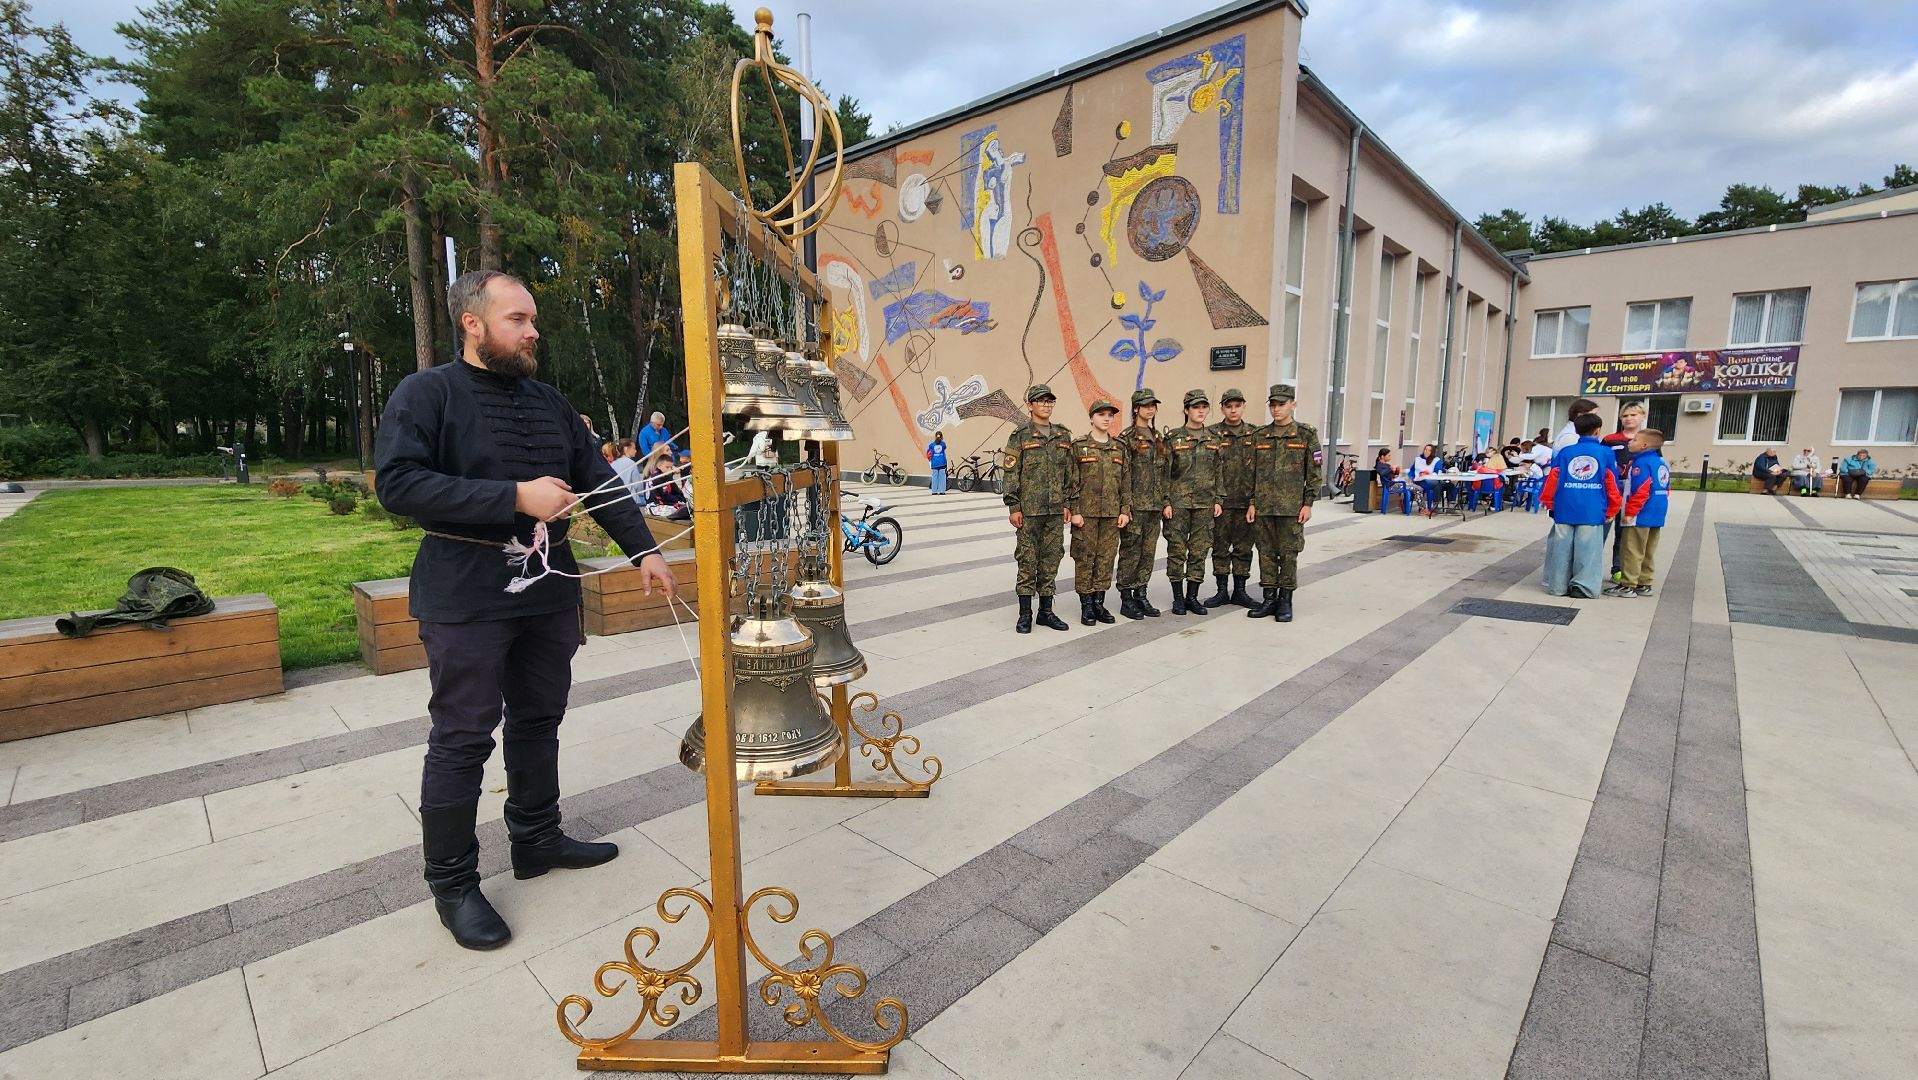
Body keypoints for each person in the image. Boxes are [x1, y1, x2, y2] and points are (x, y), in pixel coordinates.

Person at [375, 269, 675, 951]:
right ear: (471, 322)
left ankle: (537, 840)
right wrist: (513, 496)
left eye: (532, 318)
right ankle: (452, 885)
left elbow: (597, 479)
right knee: (463, 736)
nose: (533, 330)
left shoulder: (549, 401)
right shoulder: (426, 393)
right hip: (464, 594)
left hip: (548, 590)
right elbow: (398, 484)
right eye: (517, 319)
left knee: (540, 717)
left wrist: (644, 552)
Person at [1246, 385, 1320, 622]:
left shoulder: (1305, 434)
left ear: (1293, 405)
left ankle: (1285, 600)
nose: (1276, 409)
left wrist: (1308, 503)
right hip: (1264, 507)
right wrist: (1252, 503)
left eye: (1282, 404)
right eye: (1273, 405)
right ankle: (1269, 597)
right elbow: (1252, 473)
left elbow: (1314, 473)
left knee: (1288, 554)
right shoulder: (1260, 436)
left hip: (1291, 508)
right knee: (1266, 553)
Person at [1003, 384, 1074, 633]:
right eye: (1041, 401)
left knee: (1051, 559)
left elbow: (1070, 474)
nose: (1046, 405)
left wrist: (1067, 503)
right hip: (1029, 512)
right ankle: (1025, 614)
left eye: (1050, 401)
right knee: (1027, 560)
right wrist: (1013, 506)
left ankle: (1046, 611)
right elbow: (1011, 473)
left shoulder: (1063, 436)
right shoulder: (1020, 435)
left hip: (1055, 511)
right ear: (1030, 405)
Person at [1540, 411, 1621, 599]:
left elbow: (1553, 479)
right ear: (1598, 430)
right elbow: (1611, 483)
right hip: (1592, 509)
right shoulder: (1606, 453)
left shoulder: (1566, 452)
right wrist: (1612, 508)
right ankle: (1583, 587)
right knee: (1588, 550)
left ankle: (1557, 586)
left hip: (1565, 507)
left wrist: (1550, 503)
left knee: (1561, 548)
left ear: (1576, 430)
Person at [1067, 398, 1131, 626]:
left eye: (1110, 415)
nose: (1106, 418)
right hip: (1085, 515)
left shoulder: (1119, 448)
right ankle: (1086, 606)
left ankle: (1099, 603)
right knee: (1085, 559)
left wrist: (1125, 510)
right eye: (1101, 414)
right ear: (1091, 417)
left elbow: (1126, 482)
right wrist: (1074, 510)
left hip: (1112, 515)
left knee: (1105, 560)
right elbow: (1071, 482)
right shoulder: (1079, 446)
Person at [1164, 389, 1223, 616]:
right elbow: (1165, 473)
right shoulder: (1173, 439)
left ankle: (1192, 597)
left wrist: (1219, 499)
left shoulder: (1214, 439)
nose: (1200, 411)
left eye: (1204, 407)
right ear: (1186, 410)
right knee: (1177, 550)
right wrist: (1166, 501)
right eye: (1195, 407)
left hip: (1205, 504)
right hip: (1178, 504)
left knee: (1199, 551)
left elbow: (1220, 472)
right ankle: (1178, 598)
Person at [1117, 388, 1168, 619]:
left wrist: (1165, 501)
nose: (1150, 409)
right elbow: (1123, 476)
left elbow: (1164, 473)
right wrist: (1125, 508)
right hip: (1135, 507)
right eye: (1145, 405)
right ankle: (1126, 598)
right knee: (1131, 552)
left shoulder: (1158, 438)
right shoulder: (1126, 438)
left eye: (1153, 405)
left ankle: (1141, 593)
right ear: (1136, 408)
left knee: (1148, 553)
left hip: (1154, 507)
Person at [1205, 388, 1258, 609]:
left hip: (1246, 503)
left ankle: (1240, 590)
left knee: (1244, 548)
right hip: (1221, 504)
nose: (1233, 410)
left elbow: (1259, 471)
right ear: (1222, 408)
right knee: (1219, 547)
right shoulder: (1212, 434)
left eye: (1237, 405)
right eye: (1229, 406)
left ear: (1244, 406)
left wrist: (1254, 502)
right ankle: (1220, 590)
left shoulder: (1255, 434)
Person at [1607, 429, 1670, 598]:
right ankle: (1645, 582)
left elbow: (1641, 490)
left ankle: (1628, 584)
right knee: (1649, 550)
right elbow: (1666, 488)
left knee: (1631, 549)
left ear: (1644, 445)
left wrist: (1629, 512)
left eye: (1634, 440)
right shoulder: (1661, 463)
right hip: (1657, 513)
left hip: (1640, 515)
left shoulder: (1641, 464)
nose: (1629, 442)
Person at [1602, 402, 1647, 581]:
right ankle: (1591, 566)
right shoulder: (1610, 439)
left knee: (1624, 534)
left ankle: (1618, 569)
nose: (1629, 419)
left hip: (1633, 491)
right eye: (1625, 415)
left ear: (1642, 417)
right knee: (1601, 529)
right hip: (1611, 490)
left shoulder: (1647, 440)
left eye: (1633, 415)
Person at [643, 448, 691, 520]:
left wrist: (681, 501)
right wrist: (675, 504)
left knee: (686, 507)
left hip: (667, 504)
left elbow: (676, 492)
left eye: (671, 467)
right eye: (667, 467)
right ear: (659, 466)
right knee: (674, 510)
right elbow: (657, 499)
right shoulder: (655, 479)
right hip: (654, 506)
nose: (669, 470)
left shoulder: (668, 477)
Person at [1375, 447, 1410, 515]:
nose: (1390, 457)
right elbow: (1382, 473)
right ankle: (1420, 508)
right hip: (1391, 485)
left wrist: (1397, 470)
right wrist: (1391, 468)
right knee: (1416, 489)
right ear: (1382, 456)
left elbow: (1393, 474)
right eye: (1389, 455)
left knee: (1414, 487)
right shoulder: (1380, 466)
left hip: (1393, 483)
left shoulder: (1386, 465)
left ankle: (1405, 505)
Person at [1411, 443, 1443, 511]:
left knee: (1437, 484)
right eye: (1425, 449)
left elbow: (1437, 471)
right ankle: (1432, 506)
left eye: (1429, 450)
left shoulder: (1436, 460)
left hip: (1430, 479)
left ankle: (1433, 506)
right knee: (1436, 484)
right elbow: (1412, 470)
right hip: (1418, 480)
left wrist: (1427, 475)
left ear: (1432, 452)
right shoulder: (1418, 459)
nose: (1426, 451)